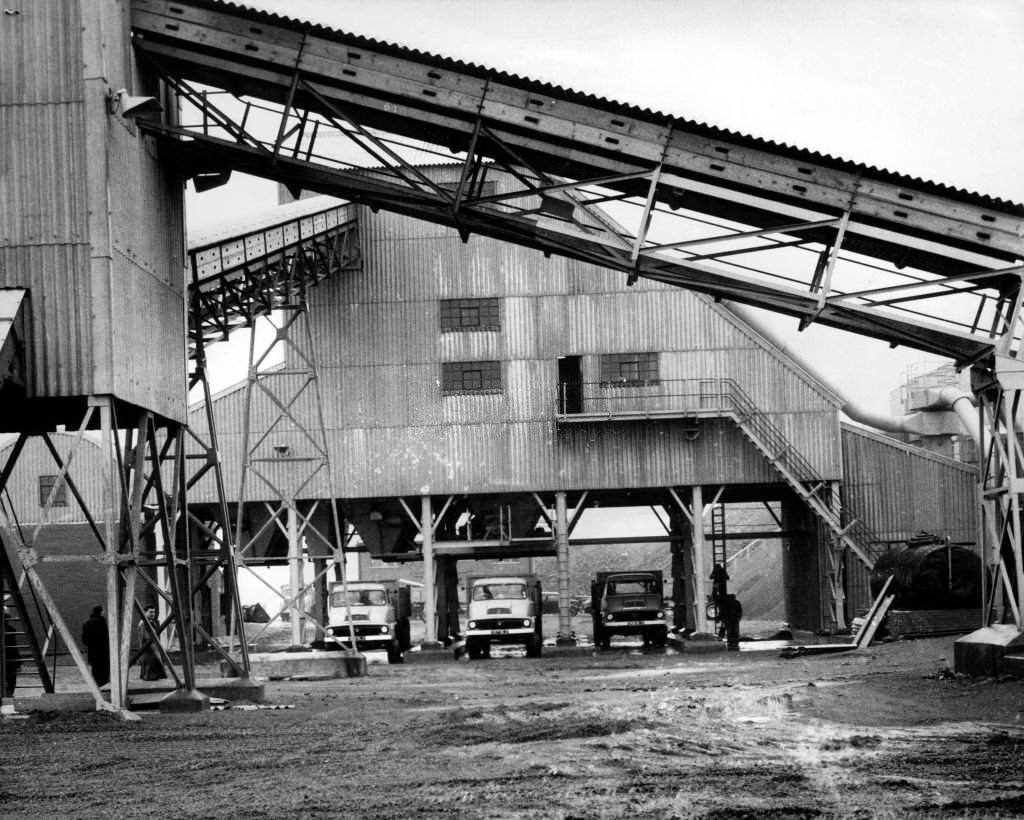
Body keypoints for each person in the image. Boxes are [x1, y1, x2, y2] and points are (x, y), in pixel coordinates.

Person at [81, 605, 109, 687]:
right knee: (103, 671)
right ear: (100, 612)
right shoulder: (102, 623)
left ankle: (96, 686)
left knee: (95, 670)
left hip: (92, 652)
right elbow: (106, 638)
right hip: (103, 652)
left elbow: (84, 640)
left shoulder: (87, 623)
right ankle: (103, 686)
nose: (105, 612)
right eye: (103, 611)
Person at [136, 605, 166, 681]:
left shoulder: (152, 622)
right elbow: (143, 638)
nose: (153, 614)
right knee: (149, 669)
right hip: (148, 649)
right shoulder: (143, 624)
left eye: (154, 612)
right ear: (145, 612)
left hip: (153, 648)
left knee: (154, 667)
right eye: (150, 612)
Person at [3, 610, 22, 698]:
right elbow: (13, 648)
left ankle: (7, 694)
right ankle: (9, 695)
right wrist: (18, 663)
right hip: (10, 660)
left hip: (8, 659)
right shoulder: (10, 630)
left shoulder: (10, 630)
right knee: (11, 680)